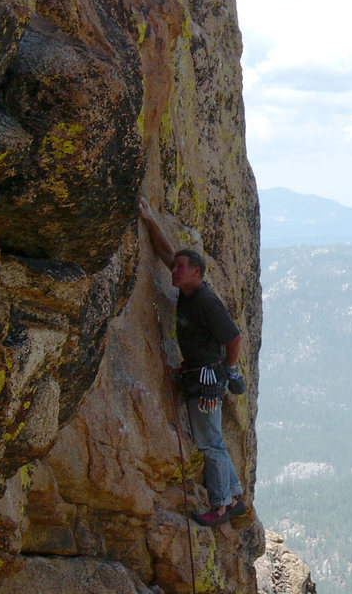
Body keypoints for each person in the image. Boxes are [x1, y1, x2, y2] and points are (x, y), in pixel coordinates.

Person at [139, 196, 246, 526]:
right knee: (214, 440)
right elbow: (166, 252)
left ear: (196, 272)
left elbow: (234, 337)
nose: (174, 270)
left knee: (209, 443)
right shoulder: (188, 290)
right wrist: (150, 220)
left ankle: (220, 506)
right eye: (175, 268)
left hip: (208, 380)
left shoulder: (204, 301)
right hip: (203, 375)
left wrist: (230, 370)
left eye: (180, 268)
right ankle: (235, 496)